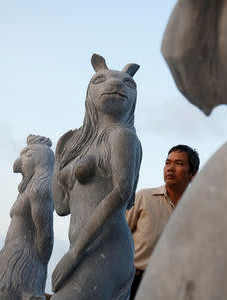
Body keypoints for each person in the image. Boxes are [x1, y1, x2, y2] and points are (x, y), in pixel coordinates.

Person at [51, 53, 142, 299]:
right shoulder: (83, 144)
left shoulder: (122, 136)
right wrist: (58, 160)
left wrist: (74, 254)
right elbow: (61, 206)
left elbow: (122, 194)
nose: (116, 85)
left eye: (127, 83)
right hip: (84, 248)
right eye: (101, 80)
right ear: (90, 92)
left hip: (105, 247)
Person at [126, 144, 199, 299]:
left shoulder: (198, 212)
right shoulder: (144, 198)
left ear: (192, 174)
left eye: (178, 164)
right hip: (133, 284)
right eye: (168, 163)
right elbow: (118, 238)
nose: (170, 168)